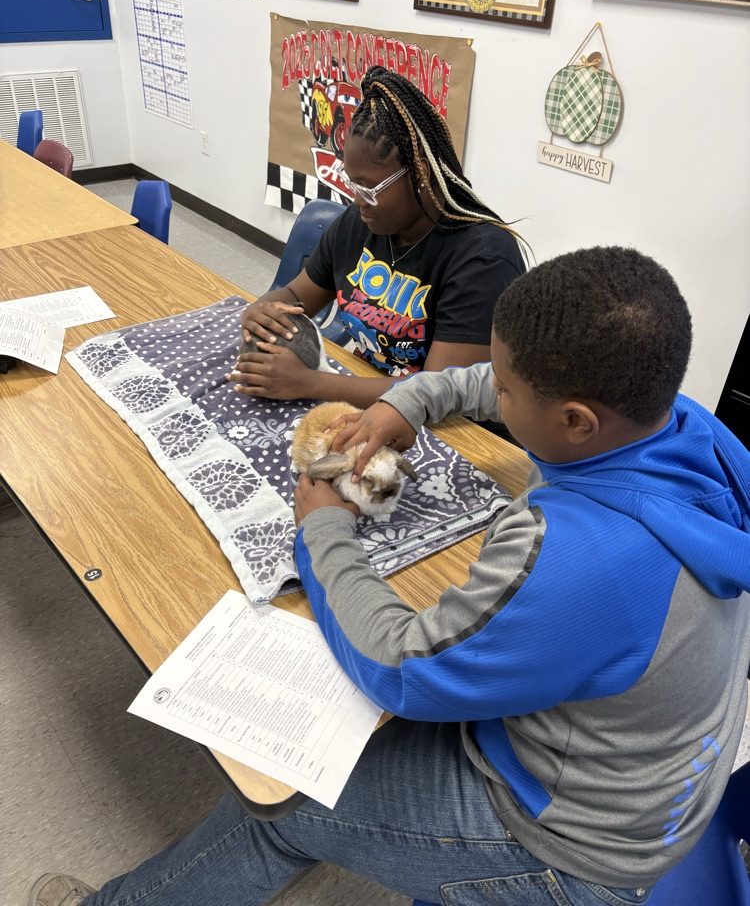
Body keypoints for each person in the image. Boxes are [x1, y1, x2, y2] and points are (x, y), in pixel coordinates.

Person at [31, 246, 750, 906]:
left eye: (504, 391)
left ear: (574, 421)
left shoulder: (577, 558)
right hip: (654, 771)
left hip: (574, 849)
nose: (489, 393)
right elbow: (471, 380)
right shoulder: (682, 424)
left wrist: (322, 529)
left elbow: (404, 666)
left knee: (288, 802)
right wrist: (402, 403)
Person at [229, 64, 527, 410]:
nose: (357, 201)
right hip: (369, 392)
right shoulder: (359, 224)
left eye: (370, 189)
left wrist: (310, 383)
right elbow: (296, 294)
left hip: (446, 427)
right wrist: (263, 310)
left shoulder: (483, 259)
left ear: (422, 176)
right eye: (352, 184)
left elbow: (437, 394)